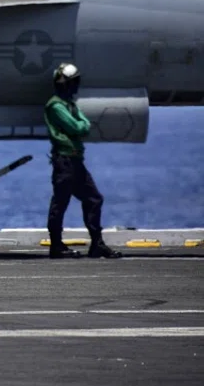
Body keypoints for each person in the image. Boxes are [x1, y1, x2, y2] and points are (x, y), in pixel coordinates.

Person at [43, 63, 122, 259]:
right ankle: (56, 246)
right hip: (65, 162)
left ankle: (97, 244)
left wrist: (81, 124)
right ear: (65, 84)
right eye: (74, 82)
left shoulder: (69, 105)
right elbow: (77, 127)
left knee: (94, 198)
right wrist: (81, 125)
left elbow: (83, 124)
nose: (77, 86)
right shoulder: (56, 106)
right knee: (60, 203)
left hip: (75, 161)